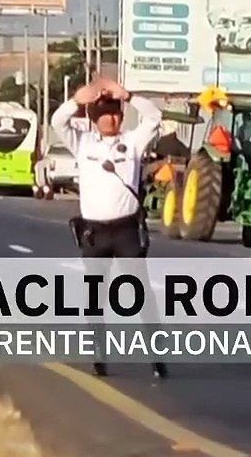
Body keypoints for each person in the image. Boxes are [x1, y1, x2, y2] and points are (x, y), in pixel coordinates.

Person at [50, 76, 168, 379]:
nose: (111, 119)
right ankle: (99, 355)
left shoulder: (132, 143)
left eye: (115, 112)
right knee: (95, 297)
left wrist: (127, 95)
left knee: (140, 294)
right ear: (94, 118)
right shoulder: (83, 143)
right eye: (104, 114)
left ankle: (156, 356)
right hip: (95, 233)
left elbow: (154, 117)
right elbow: (57, 121)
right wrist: (79, 100)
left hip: (126, 231)